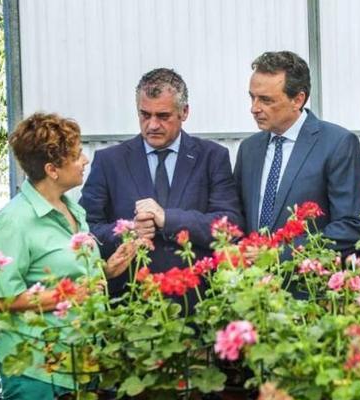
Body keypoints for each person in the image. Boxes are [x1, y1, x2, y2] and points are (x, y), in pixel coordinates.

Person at [0, 112, 137, 400]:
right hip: (38, 373)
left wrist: (105, 270)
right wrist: (64, 297)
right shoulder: (14, 222)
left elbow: (61, 272)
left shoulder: (71, 210)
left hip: (80, 363)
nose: (85, 160)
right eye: (76, 155)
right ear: (52, 170)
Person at [80, 68, 243, 294]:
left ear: (184, 112)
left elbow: (230, 226)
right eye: (145, 115)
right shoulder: (109, 161)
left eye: (163, 116)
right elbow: (86, 229)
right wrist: (128, 231)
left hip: (198, 301)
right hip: (130, 301)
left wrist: (169, 219)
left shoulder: (212, 157)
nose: (153, 125)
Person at [234, 51, 360, 251]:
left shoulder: (337, 144)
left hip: (306, 277)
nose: (254, 108)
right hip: (253, 278)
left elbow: (350, 227)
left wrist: (279, 254)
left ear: (298, 99)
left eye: (266, 100)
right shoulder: (249, 149)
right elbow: (238, 215)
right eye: (252, 97)